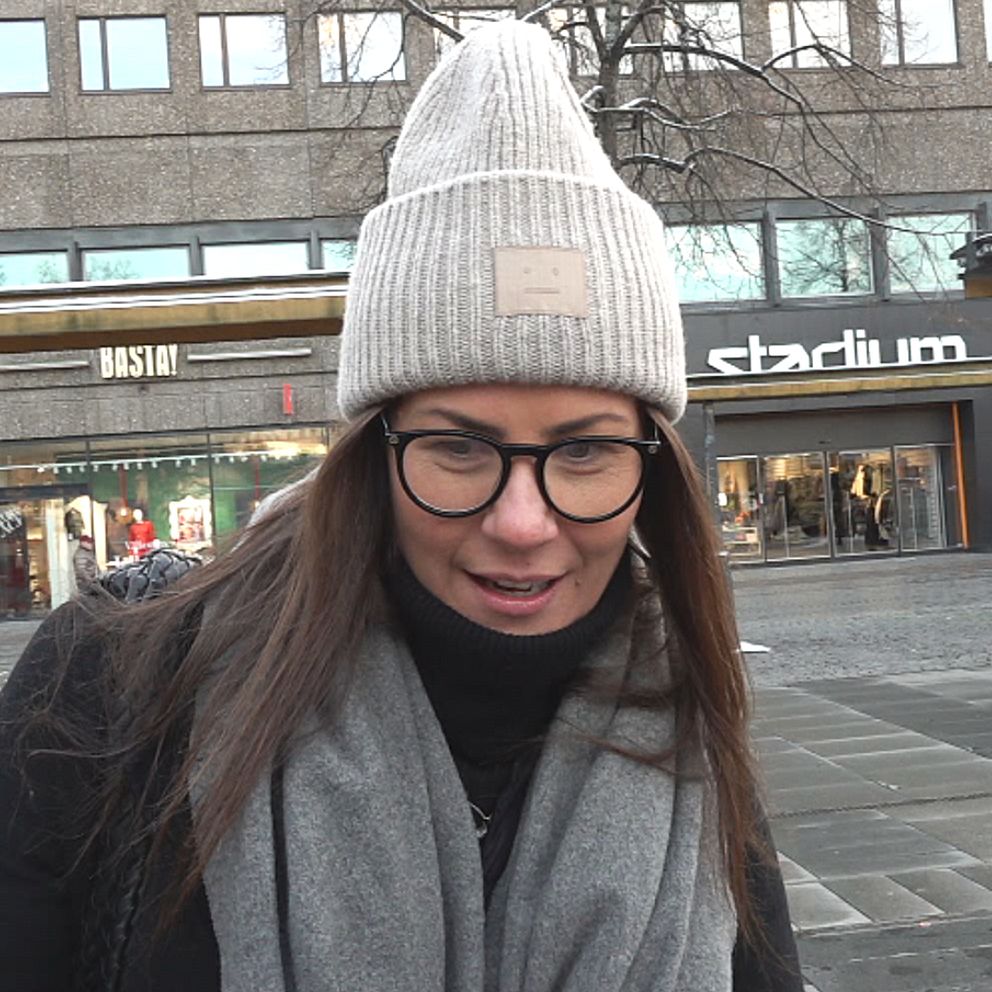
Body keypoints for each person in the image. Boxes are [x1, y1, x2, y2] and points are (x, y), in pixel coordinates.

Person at [0, 21, 801, 992]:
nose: (522, 522)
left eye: (584, 449)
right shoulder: (109, 685)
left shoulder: (692, 722)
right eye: (458, 447)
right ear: (374, 451)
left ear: (653, 464)